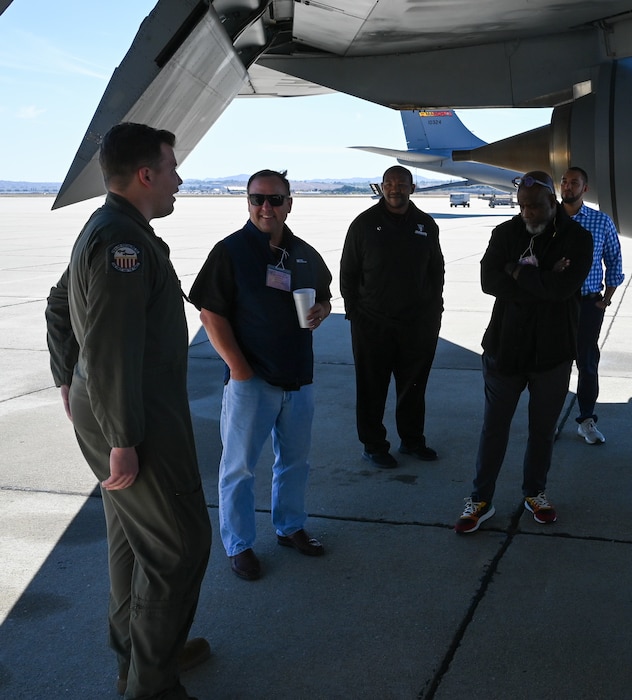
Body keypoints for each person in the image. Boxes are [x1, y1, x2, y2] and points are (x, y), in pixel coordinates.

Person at [44, 122, 212, 698]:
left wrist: (68, 376)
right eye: (170, 169)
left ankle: (140, 656)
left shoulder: (111, 227)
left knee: (130, 539)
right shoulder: (122, 242)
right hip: (133, 416)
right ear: (145, 175)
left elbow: (58, 303)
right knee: (178, 547)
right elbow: (113, 346)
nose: (178, 180)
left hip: (116, 408)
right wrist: (121, 433)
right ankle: (151, 682)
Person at [188, 169, 332, 580]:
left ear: (290, 203)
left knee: (295, 462)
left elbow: (322, 293)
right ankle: (240, 545)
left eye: (275, 199)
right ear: (247, 202)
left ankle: (290, 527)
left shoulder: (303, 251)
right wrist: (239, 369)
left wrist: (321, 308)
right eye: (257, 199)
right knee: (239, 467)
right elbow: (210, 314)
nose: (266, 207)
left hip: (298, 377)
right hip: (251, 382)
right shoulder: (230, 251)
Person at [454, 171, 592, 534]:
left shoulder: (578, 237)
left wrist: (516, 271)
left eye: (534, 206)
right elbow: (489, 282)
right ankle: (480, 499)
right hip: (504, 349)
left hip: (553, 353)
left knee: (542, 430)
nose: (526, 213)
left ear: (553, 203)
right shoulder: (506, 233)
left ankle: (535, 492)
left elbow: (564, 289)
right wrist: (543, 277)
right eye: (522, 207)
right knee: (494, 428)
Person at [341, 165, 444, 468]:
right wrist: (355, 314)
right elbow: (348, 272)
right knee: (372, 387)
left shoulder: (426, 224)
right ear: (381, 187)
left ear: (413, 188)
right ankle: (374, 445)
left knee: (413, 387)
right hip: (372, 324)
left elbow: (436, 270)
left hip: (417, 324)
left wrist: (434, 311)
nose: (395, 189)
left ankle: (412, 441)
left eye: (402, 184)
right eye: (389, 184)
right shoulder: (364, 224)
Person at [560, 166, 625, 445]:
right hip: (555, 304)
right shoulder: (550, 220)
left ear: (585, 188)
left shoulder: (601, 222)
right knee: (555, 363)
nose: (568, 187)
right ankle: (549, 419)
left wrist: (606, 299)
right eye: (564, 182)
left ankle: (586, 419)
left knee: (587, 363)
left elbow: (614, 261)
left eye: (574, 183)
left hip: (588, 304)